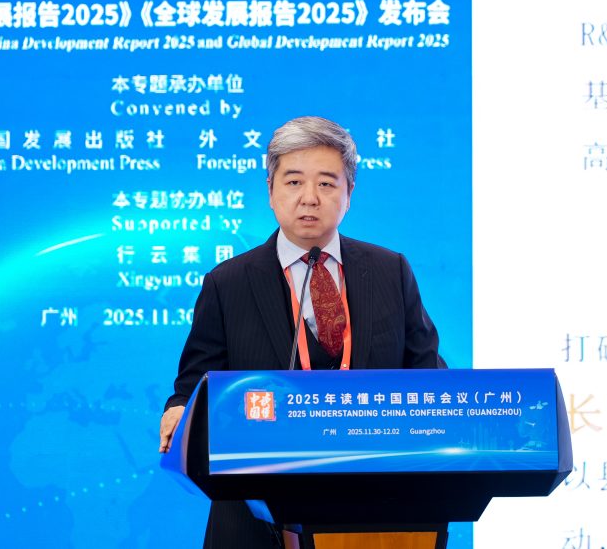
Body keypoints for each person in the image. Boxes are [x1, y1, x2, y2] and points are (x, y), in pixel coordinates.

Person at [159, 115, 446, 548]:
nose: (309, 198)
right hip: (255, 520)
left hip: (374, 513)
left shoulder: (390, 271)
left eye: (327, 184)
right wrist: (180, 409)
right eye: (294, 182)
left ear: (349, 193)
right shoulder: (228, 283)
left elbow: (428, 378)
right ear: (270, 191)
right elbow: (193, 385)